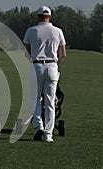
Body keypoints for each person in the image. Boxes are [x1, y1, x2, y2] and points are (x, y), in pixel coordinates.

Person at [23, 6, 66, 142]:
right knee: (50, 101)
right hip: (52, 66)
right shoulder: (58, 31)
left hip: (36, 65)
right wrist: (55, 63)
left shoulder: (31, 30)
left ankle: (38, 126)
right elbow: (63, 53)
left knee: (35, 99)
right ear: (50, 17)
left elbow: (26, 51)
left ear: (38, 16)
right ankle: (48, 135)